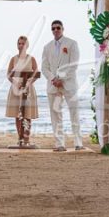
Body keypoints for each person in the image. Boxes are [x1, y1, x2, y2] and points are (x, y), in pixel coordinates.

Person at [41, 20, 82, 151]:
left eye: (58, 28)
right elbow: (44, 67)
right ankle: (60, 144)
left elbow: (74, 65)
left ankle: (78, 143)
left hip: (69, 84)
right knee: (55, 114)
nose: (56, 30)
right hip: (53, 85)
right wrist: (53, 79)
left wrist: (61, 78)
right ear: (51, 30)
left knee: (74, 113)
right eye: (53, 28)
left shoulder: (71, 43)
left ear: (63, 29)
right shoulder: (47, 47)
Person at [6, 36, 41, 147]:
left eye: (23, 44)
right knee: (18, 114)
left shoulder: (32, 59)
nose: (21, 46)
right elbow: (8, 75)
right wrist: (16, 83)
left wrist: (29, 83)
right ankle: (20, 138)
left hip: (28, 89)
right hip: (16, 89)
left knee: (27, 114)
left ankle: (27, 139)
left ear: (27, 45)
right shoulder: (13, 59)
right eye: (19, 43)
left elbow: (36, 74)